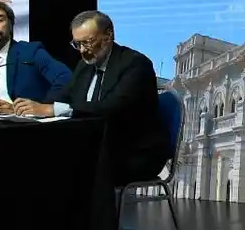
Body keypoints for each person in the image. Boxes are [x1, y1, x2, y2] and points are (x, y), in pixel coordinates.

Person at [13, 10, 168, 183]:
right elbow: (63, 96)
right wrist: (23, 107)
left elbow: (112, 107)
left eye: (87, 42)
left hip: (133, 152)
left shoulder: (135, 64)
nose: (82, 50)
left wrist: (54, 110)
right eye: (77, 44)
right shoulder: (84, 66)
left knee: (63, 168)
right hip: (96, 147)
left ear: (108, 36)